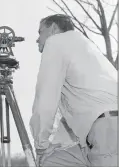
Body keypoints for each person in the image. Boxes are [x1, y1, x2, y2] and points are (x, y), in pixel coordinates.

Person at [30, 14, 117, 167]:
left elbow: (45, 102)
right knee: (50, 161)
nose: (37, 39)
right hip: (97, 134)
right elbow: (67, 112)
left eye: (40, 32)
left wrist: (41, 146)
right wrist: (51, 148)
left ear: (53, 28)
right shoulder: (85, 46)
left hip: (107, 131)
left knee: (44, 157)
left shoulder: (55, 42)